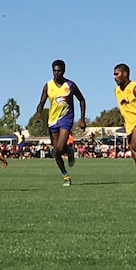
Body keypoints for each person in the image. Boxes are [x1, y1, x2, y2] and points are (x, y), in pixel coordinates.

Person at [35, 59, 87, 187]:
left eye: (59, 71)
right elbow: (41, 102)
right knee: (56, 152)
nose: (56, 73)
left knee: (59, 146)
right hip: (52, 121)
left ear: (63, 71)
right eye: (54, 70)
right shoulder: (48, 85)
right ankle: (66, 176)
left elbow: (81, 100)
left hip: (66, 119)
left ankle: (68, 150)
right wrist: (38, 114)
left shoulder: (70, 85)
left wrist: (82, 118)